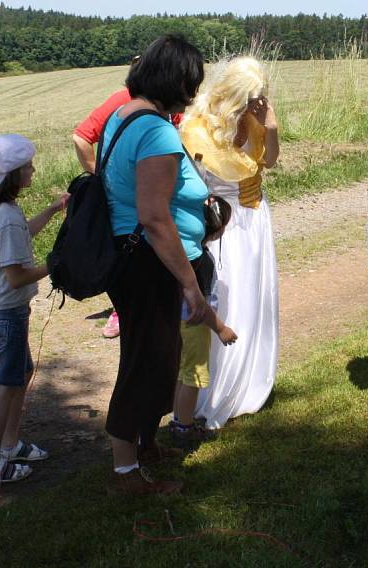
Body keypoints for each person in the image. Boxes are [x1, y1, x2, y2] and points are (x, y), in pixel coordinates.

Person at [101, 34, 206, 495]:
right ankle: (126, 475)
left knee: (154, 357)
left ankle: (145, 446)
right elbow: (154, 216)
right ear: (176, 78)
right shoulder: (158, 131)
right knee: (147, 364)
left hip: (128, 258)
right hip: (149, 262)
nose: (194, 91)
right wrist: (189, 283)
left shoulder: (122, 117)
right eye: (192, 81)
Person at [180, 56, 280, 430]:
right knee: (227, 297)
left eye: (260, 100)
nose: (256, 106)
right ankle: (214, 387)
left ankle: (251, 380)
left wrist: (270, 127)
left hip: (254, 221)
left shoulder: (259, 118)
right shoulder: (197, 126)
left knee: (254, 299)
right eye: (250, 101)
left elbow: (268, 160)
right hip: (222, 224)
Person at [0, 134, 69, 485]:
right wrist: (57, 264)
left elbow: (23, 234)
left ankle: (10, 444)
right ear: (13, 174)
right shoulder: (6, 217)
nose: (33, 169)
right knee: (4, 384)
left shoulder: (2, 210)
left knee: (21, 372)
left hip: (3, 310)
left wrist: (53, 209)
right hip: (7, 312)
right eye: (28, 166)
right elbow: (16, 277)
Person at [73, 76, 182, 339]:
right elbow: (81, 137)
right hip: (130, 204)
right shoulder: (123, 101)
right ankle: (122, 311)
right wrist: (103, 176)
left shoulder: (167, 104)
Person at [169, 196, 238, 447]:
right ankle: (185, 428)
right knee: (194, 376)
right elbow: (202, 305)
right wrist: (221, 328)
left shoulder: (185, 255)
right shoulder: (203, 261)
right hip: (195, 326)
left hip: (178, 324)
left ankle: (178, 420)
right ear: (217, 229)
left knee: (182, 373)